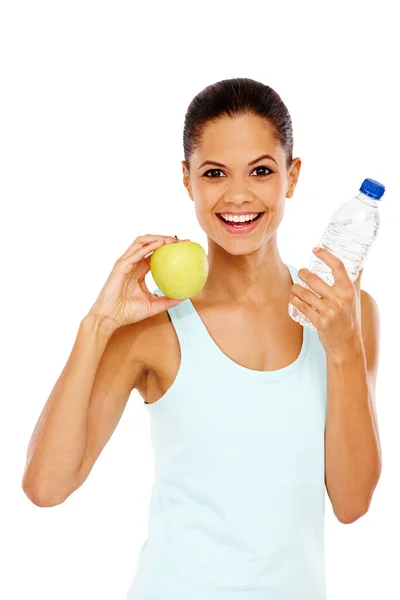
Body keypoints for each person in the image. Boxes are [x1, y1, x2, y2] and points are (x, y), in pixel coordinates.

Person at [22, 78, 381, 600]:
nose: (238, 195)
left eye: (261, 170)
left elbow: (351, 504)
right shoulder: (155, 327)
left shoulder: (345, 316)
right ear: (187, 180)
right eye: (214, 173)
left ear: (292, 176)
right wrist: (97, 325)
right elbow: (46, 488)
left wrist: (345, 348)